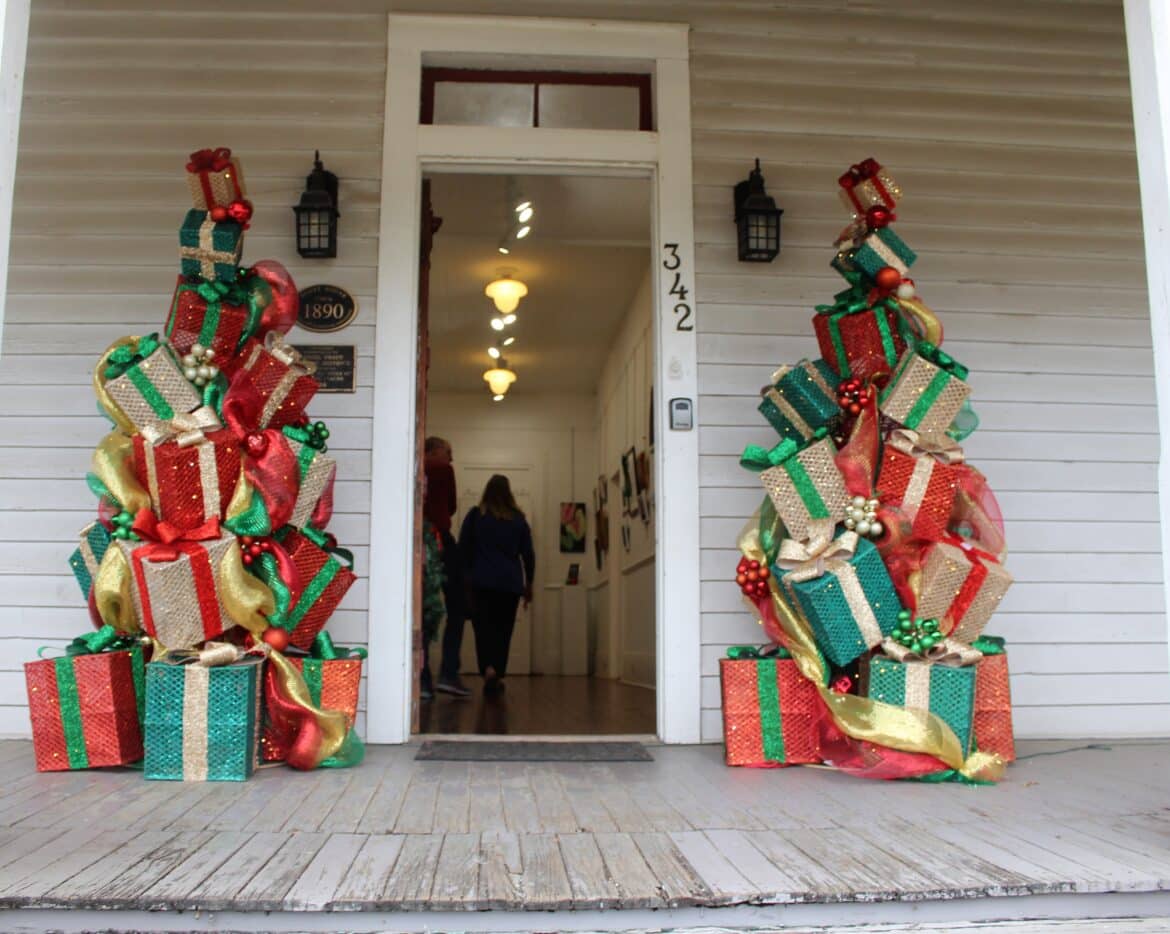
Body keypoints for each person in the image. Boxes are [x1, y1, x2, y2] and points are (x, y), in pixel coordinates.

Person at [459, 474, 534, 695]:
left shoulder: (475, 516)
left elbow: (463, 549)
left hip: (481, 583)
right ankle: (497, 672)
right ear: (509, 493)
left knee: (483, 630)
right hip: (509, 585)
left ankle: (488, 670)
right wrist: (529, 583)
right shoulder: (519, 520)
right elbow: (528, 555)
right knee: (503, 631)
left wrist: (464, 580)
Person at [422, 436, 470, 698]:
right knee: (457, 606)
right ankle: (449, 674)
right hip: (440, 538)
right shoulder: (443, 470)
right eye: (447, 451)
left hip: (418, 542)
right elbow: (451, 507)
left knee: (423, 609)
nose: (451, 458)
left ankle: (422, 678)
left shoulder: (414, 468)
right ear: (432, 451)